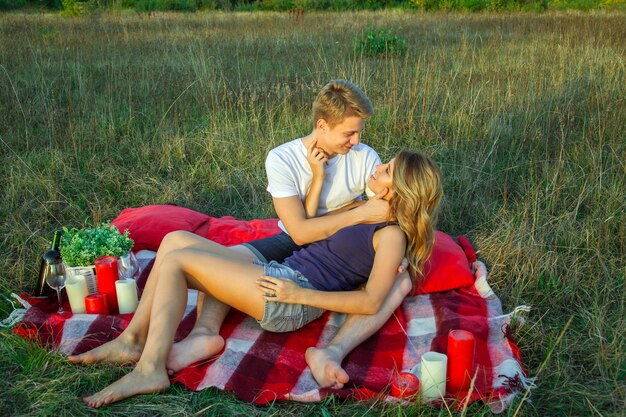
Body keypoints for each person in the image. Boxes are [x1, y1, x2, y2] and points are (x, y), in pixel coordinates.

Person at [69, 79, 406, 387]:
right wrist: (321, 182)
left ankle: (158, 356)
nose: (358, 141)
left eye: (359, 132)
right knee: (173, 242)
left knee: (188, 260)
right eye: (349, 133)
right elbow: (303, 231)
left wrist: (380, 241)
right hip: (292, 240)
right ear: (322, 126)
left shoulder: (364, 158)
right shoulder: (283, 158)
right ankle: (141, 340)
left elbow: (383, 209)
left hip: (314, 252)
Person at [78, 150, 444, 407]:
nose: (378, 166)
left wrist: (300, 295)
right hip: (280, 275)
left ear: (399, 190)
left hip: (289, 295)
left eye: (388, 169)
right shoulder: (364, 210)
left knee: (178, 263)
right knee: (173, 241)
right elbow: (309, 230)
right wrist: (351, 204)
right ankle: (132, 340)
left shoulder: (391, 235)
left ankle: (150, 369)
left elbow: (369, 302)